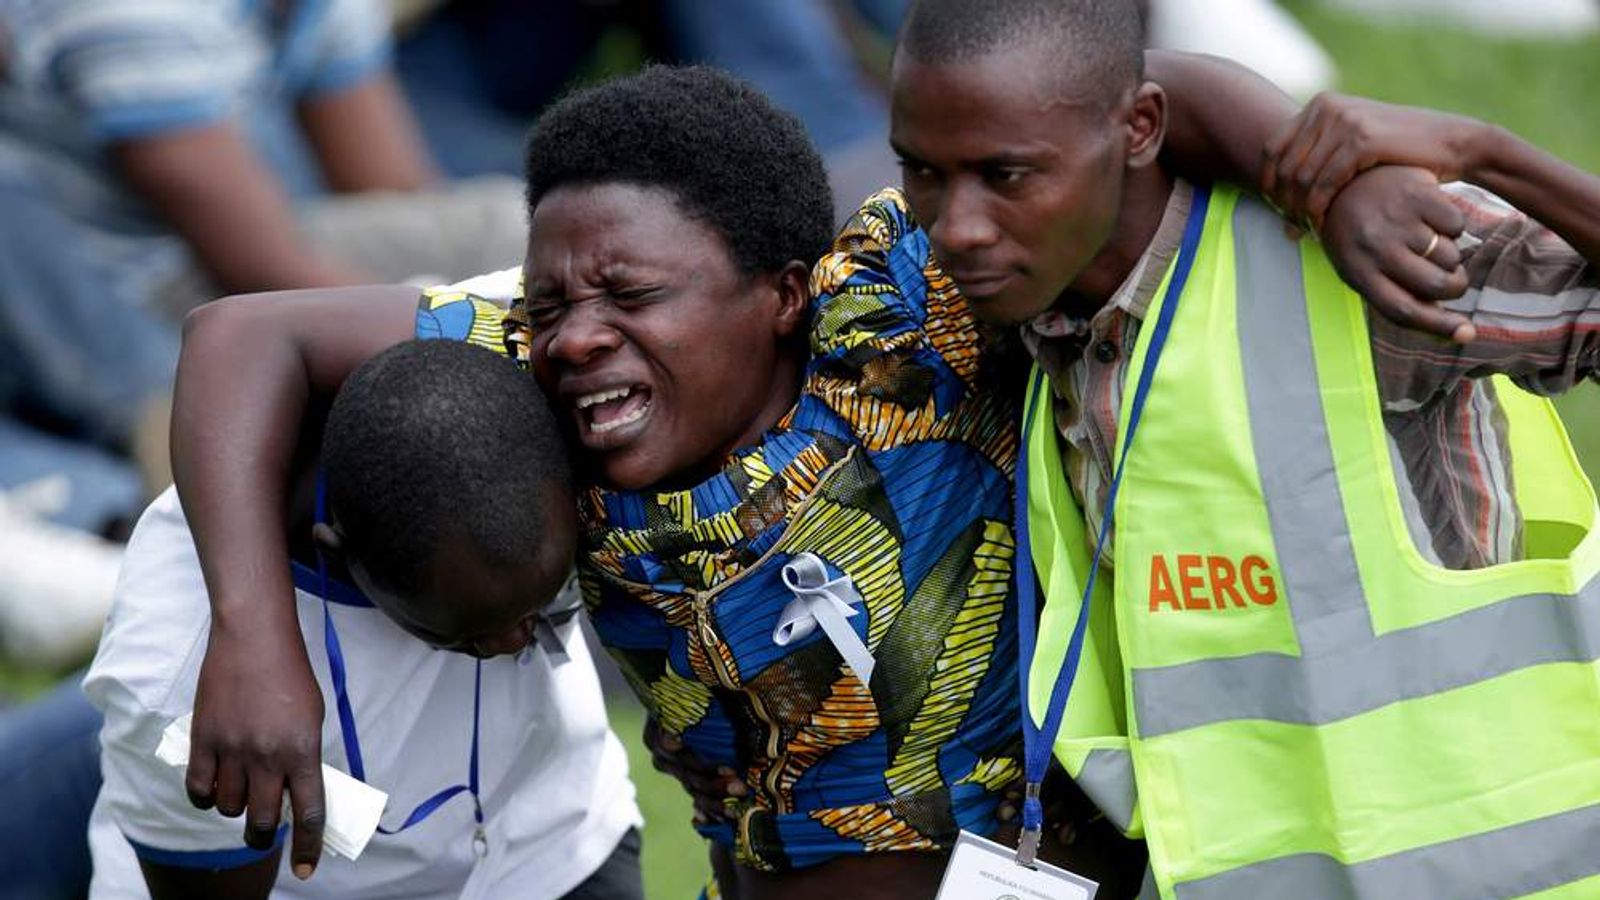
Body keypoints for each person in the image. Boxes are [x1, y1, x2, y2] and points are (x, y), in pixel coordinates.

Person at [161, 60, 1462, 899]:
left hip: (1071, 847)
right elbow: (240, 337)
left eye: (628, 294)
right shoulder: (537, 373)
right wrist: (251, 637)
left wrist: (1328, 172)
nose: (574, 333)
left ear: (782, 294)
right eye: (554, 297)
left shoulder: (895, 317)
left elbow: (1129, 97)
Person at [882, 0, 1600, 896]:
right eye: (922, 171)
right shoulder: (1016, 313)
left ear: (1141, 130)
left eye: (1007, 175)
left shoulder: (1350, 267)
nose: (957, 228)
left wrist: (1482, 149)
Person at [84, 339, 642, 899]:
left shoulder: (561, 355)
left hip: (552, 846)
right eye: (467, 636)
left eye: (542, 606)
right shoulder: (174, 682)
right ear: (340, 553)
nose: (517, 642)